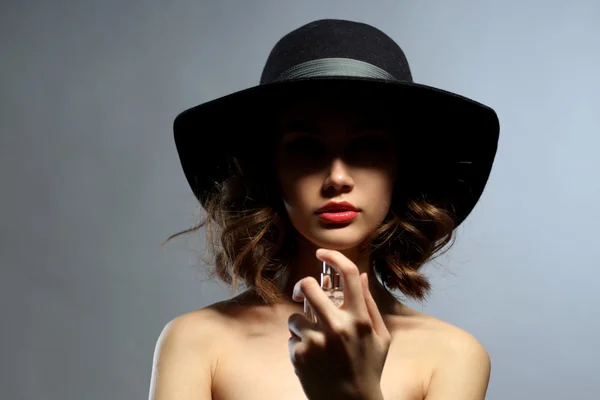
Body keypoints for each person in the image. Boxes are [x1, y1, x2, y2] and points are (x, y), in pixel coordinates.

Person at [149, 18, 500, 400]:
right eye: (306, 148)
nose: (337, 178)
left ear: (400, 169)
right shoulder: (196, 343)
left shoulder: (451, 356)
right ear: (271, 170)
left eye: (367, 147)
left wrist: (356, 391)